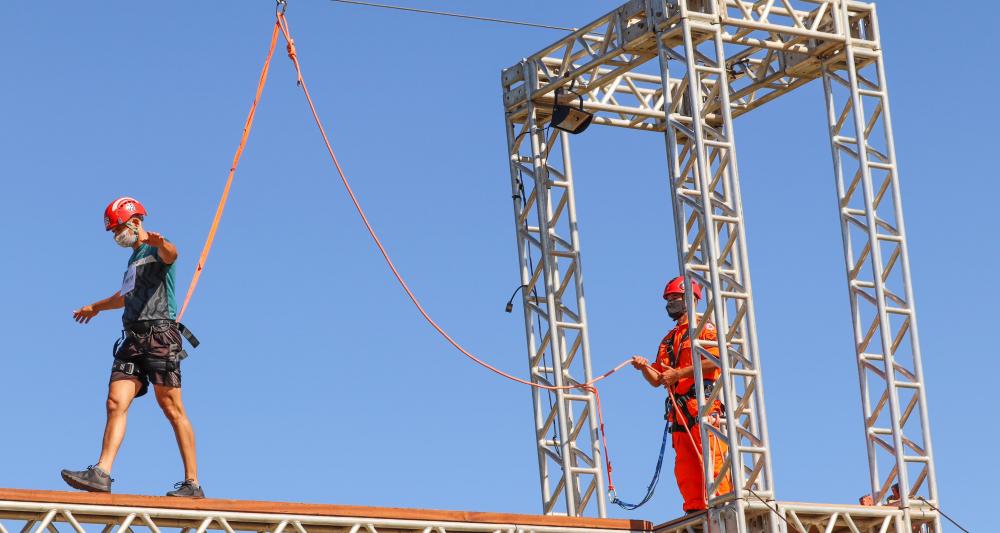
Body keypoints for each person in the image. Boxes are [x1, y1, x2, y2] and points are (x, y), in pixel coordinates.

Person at [61, 197, 204, 498]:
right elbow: (124, 296)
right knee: (115, 402)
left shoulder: (155, 247)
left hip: (160, 336)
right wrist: (95, 307)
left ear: (135, 223)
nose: (116, 237)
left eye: (118, 230)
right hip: (133, 338)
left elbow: (172, 254)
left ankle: (193, 483)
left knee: (171, 406)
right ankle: (102, 472)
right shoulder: (133, 258)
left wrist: (160, 241)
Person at [631, 276, 731, 513]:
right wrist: (645, 367)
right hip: (679, 413)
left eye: (674, 299)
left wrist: (679, 373)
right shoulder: (668, 339)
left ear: (690, 299)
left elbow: (717, 360)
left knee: (713, 461)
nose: (670, 304)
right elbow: (657, 379)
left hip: (702, 406)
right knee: (686, 467)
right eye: (668, 300)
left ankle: (724, 506)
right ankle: (696, 510)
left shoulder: (705, 329)